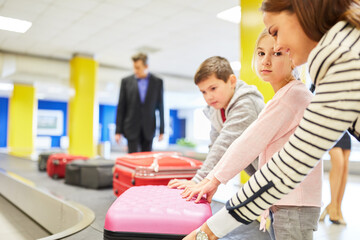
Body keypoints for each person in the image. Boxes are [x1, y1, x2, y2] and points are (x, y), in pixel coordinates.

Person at [183, 0, 360, 239]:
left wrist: (207, 229)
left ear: (302, 15)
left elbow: (284, 162)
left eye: (276, 32)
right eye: (263, 51)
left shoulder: (336, 59)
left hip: (291, 202)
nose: (278, 45)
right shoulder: (338, 52)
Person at [183, 29, 320, 240]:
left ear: (294, 59)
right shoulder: (283, 96)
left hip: (294, 202)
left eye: (276, 53)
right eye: (260, 53)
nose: (265, 61)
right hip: (283, 199)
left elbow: (246, 144)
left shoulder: (291, 97)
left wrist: (211, 180)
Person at [168, 56, 264, 190]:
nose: (208, 96)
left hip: (280, 172)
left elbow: (224, 144)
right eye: (203, 92)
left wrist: (197, 181)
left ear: (232, 81)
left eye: (213, 88)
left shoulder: (246, 103)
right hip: (259, 175)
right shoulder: (216, 110)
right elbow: (214, 146)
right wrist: (204, 181)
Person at [115, 53, 164, 153]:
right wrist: (118, 131)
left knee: (147, 158)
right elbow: (121, 106)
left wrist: (162, 130)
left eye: (138, 68)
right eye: (134, 67)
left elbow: (161, 106)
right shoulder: (126, 82)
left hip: (149, 127)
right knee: (132, 158)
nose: (135, 71)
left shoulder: (157, 82)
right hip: (131, 127)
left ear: (146, 66)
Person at [320, 132, 351, 224]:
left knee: (345, 168)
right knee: (339, 164)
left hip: (346, 130)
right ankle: (333, 207)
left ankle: (337, 208)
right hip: (331, 129)